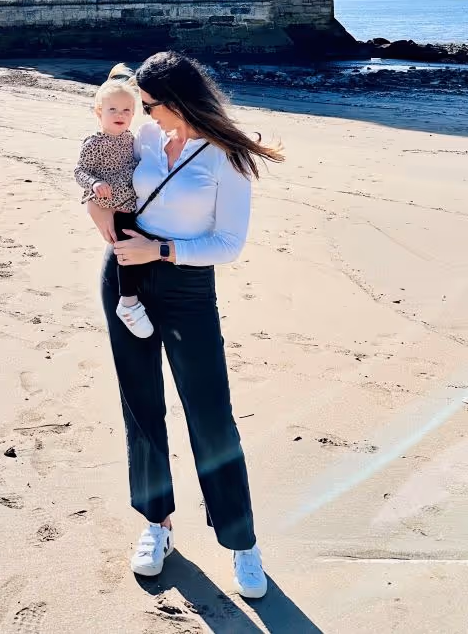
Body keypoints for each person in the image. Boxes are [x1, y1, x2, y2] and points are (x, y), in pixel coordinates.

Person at [86, 51, 284, 600]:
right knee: (141, 405)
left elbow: (229, 244)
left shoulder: (229, 156)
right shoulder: (143, 139)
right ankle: (157, 524)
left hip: (187, 288)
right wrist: (102, 221)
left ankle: (242, 544)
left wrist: (163, 250)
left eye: (150, 105)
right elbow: (99, 179)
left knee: (211, 414)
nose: (143, 115)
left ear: (176, 100)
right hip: (125, 276)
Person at [74, 65, 152, 338]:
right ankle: (128, 301)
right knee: (126, 252)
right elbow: (80, 171)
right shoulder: (94, 143)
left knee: (139, 247)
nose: (120, 115)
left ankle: (138, 293)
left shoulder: (132, 139)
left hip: (130, 202)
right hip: (110, 203)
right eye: (112, 110)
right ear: (99, 113)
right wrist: (95, 184)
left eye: (127, 110)